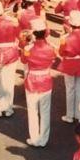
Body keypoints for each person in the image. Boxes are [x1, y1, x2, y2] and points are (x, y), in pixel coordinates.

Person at [23, 19, 56, 147]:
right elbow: (52, 60)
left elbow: (24, 60)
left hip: (32, 80)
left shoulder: (28, 48)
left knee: (32, 111)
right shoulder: (51, 47)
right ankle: (43, 140)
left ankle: (34, 138)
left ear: (34, 33)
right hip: (46, 79)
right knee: (45, 111)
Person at [58, 11, 80, 124]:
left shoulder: (64, 37)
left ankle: (69, 115)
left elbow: (61, 52)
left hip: (69, 64)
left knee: (70, 89)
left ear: (70, 23)